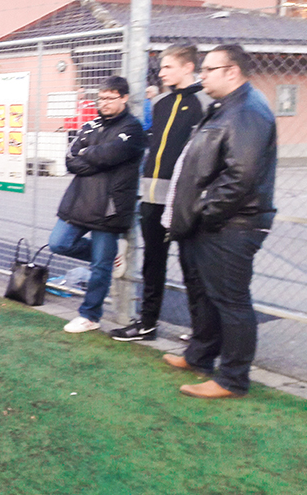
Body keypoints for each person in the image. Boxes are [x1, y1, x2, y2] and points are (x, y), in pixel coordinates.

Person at [162, 44, 276, 399]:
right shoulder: (225, 107)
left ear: (232, 72)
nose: (202, 76)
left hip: (232, 225)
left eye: (209, 69)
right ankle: (200, 356)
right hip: (213, 223)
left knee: (231, 301)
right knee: (205, 295)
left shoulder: (247, 111)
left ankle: (232, 379)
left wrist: (205, 213)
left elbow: (240, 178)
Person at [111, 45, 210, 342]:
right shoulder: (161, 102)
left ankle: (201, 333)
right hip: (151, 198)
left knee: (193, 267)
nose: (162, 73)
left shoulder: (205, 102)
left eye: (168, 67)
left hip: (184, 201)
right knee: (153, 262)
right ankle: (147, 324)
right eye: (161, 67)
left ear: (187, 67)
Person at [49, 76, 145, 333]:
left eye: (110, 98)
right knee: (59, 243)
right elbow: (71, 160)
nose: (104, 103)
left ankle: (90, 316)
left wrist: (88, 153)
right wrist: (96, 158)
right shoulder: (90, 125)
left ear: (124, 98)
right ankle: (111, 256)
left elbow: (111, 154)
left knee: (101, 267)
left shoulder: (133, 129)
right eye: (101, 98)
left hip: (110, 207)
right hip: (79, 201)